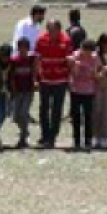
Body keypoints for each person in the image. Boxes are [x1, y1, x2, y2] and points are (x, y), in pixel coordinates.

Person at [35, 19, 74, 149]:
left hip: (60, 80)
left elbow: (69, 60)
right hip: (45, 79)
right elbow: (37, 59)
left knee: (57, 109)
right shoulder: (41, 39)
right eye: (49, 29)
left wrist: (70, 76)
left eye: (53, 30)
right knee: (43, 108)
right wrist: (36, 77)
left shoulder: (66, 40)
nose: (50, 32)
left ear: (59, 29)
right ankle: (44, 135)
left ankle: (52, 136)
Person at [66, 35, 100, 151]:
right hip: (76, 90)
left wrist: (92, 72)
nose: (88, 54)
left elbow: (95, 75)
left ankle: (88, 140)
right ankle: (76, 140)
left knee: (88, 116)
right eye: (86, 51)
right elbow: (74, 74)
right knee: (76, 116)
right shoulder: (75, 56)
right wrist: (76, 65)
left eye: (90, 52)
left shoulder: (95, 58)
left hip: (89, 90)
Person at [6, 37, 36, 149]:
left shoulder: (31, 59)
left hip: (28, 91)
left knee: (24, 113)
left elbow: (35, 72)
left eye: (25, 48)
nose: (23, 50)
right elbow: (11, 77)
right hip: (17, 91)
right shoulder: (14, 60)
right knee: (16, 116)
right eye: (21, 48)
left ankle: (23, 138)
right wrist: (13, 90)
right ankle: (25, 130)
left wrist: (34, 83)